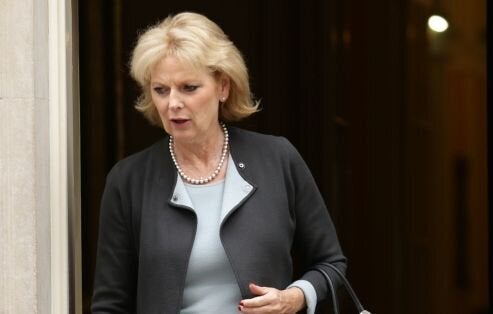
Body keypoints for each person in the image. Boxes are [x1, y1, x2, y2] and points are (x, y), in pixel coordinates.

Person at [91, 12, 347, 314]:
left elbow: (331, 263)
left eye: (189, 87)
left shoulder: (278, 158)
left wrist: (294, 297)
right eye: (161, 90)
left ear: (223, 87)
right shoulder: (128, 180)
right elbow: (110, 304)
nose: (173, 103)